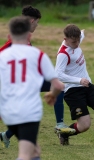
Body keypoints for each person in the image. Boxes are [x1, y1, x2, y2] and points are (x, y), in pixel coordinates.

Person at [0, 5, 75, 148]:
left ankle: (7, 135)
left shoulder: (24, 39)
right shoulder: (15, 41)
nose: (37, 26)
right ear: (32, 21)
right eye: (38, 22)